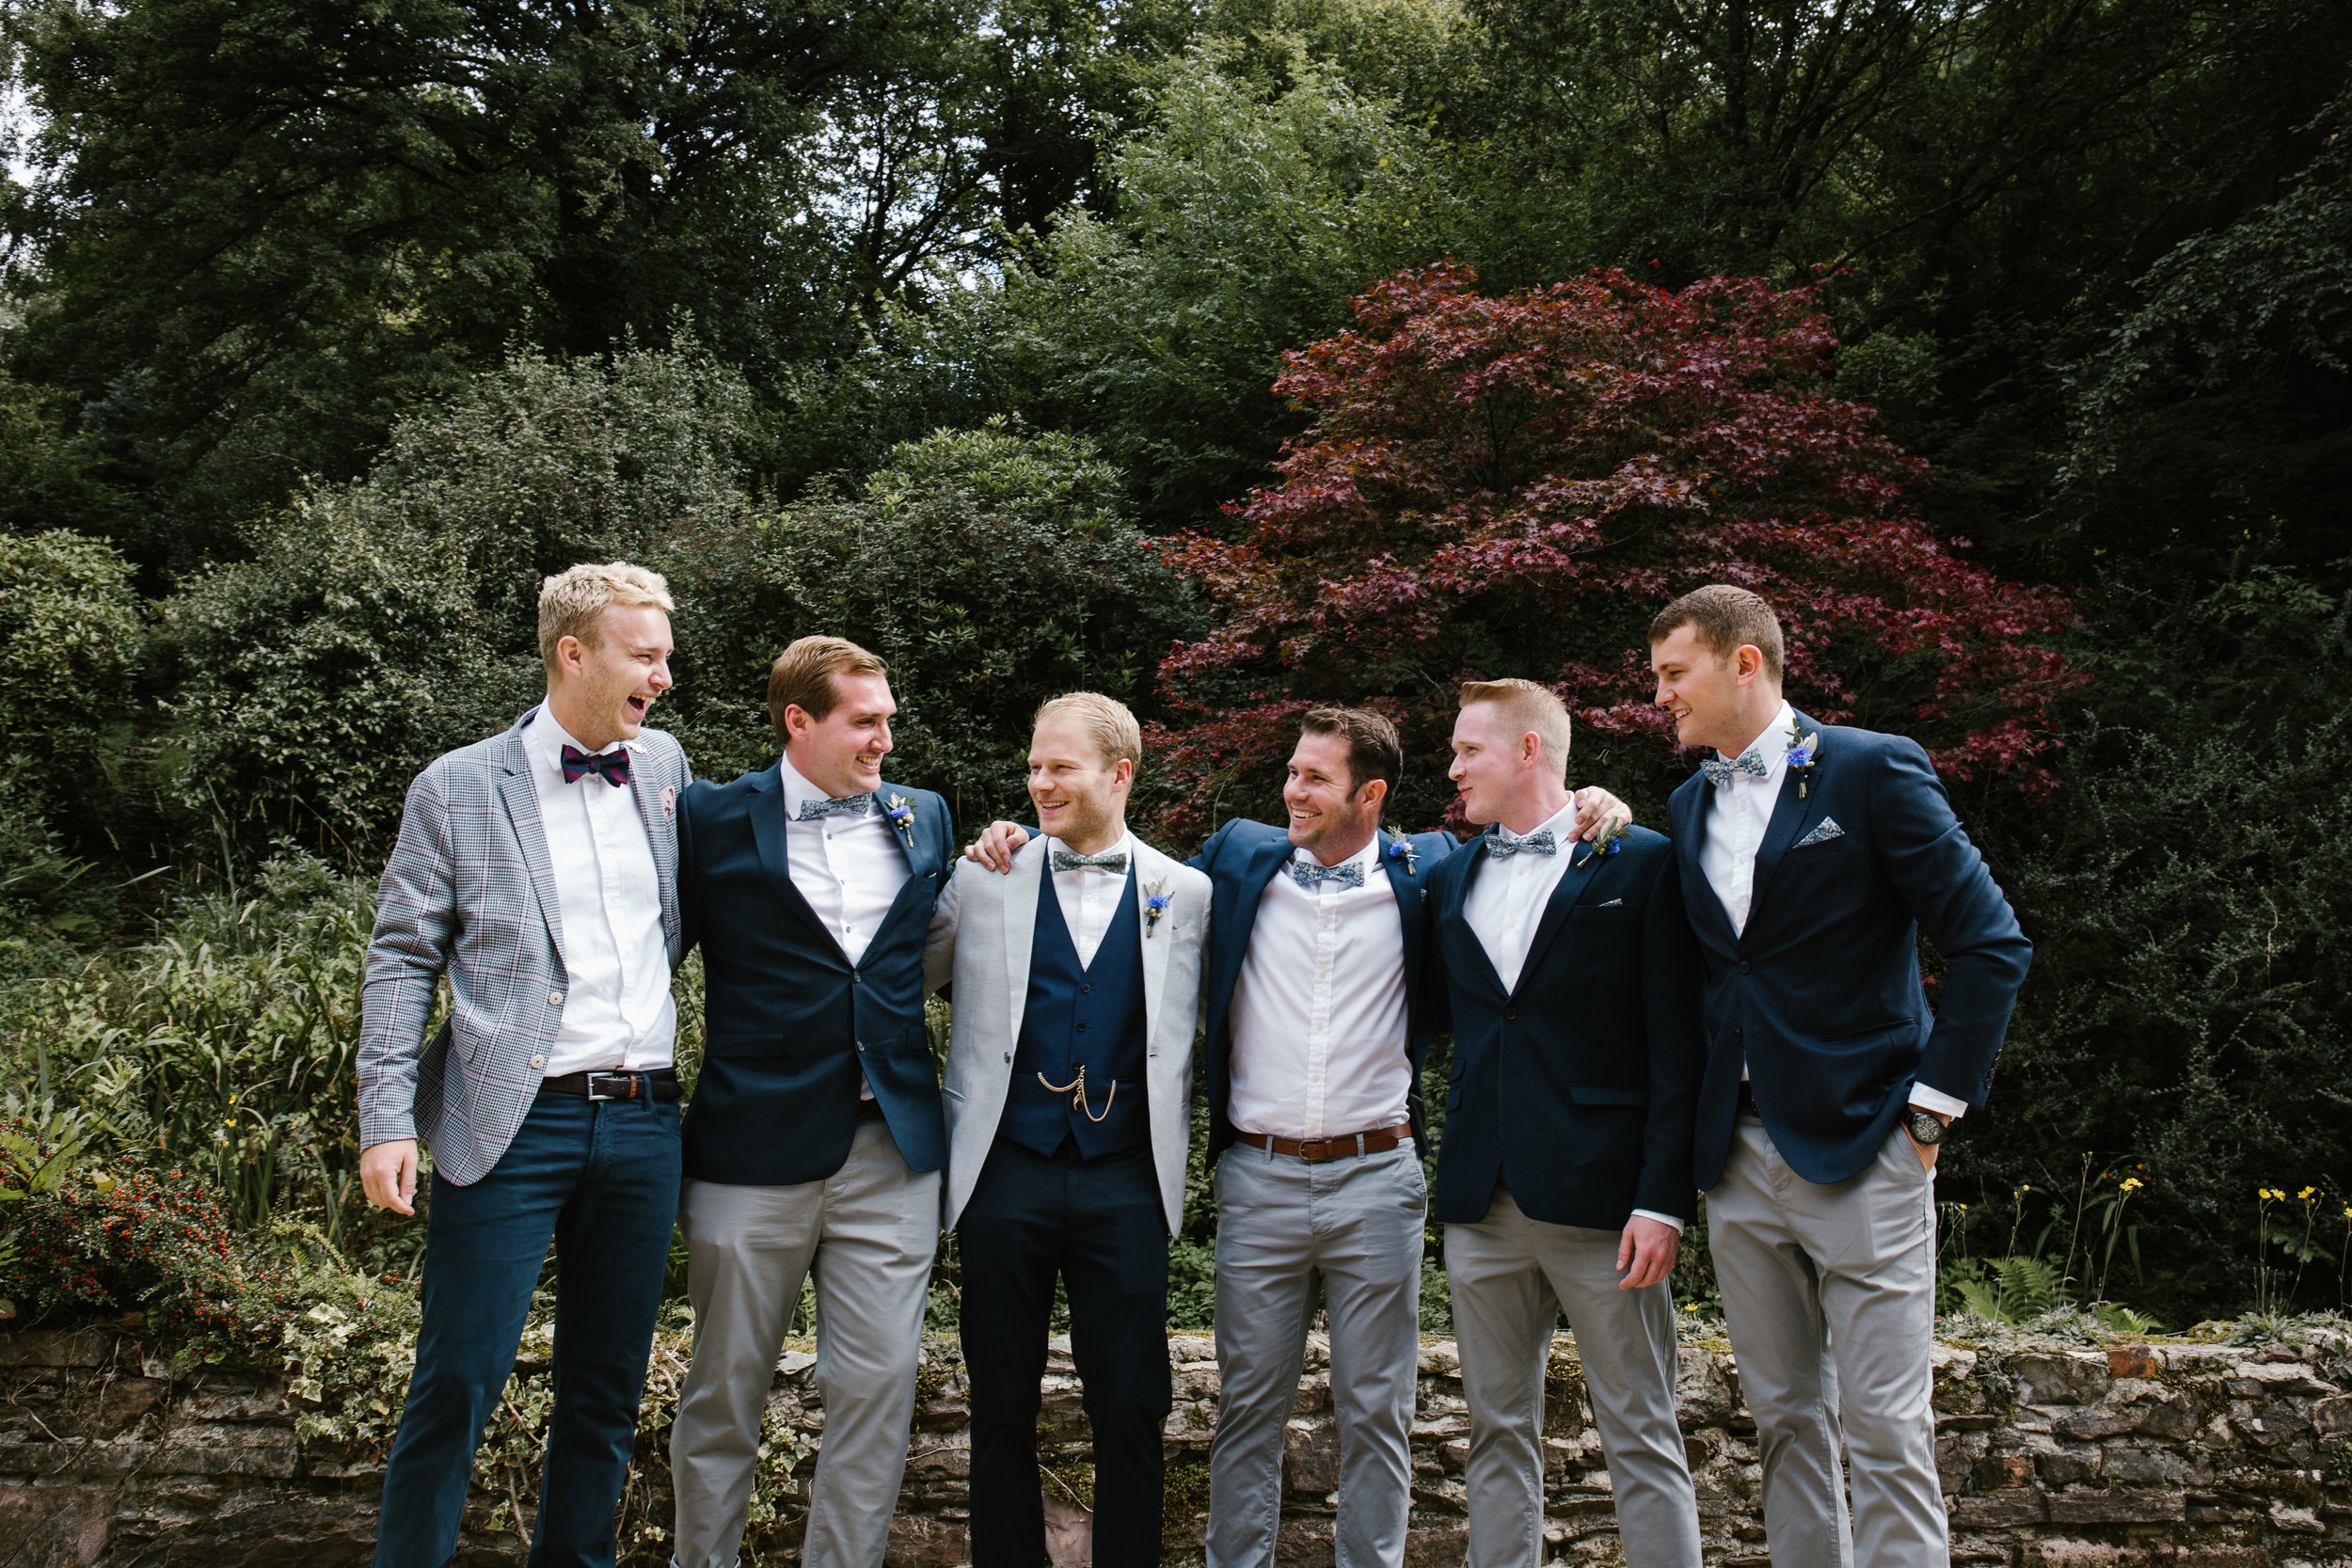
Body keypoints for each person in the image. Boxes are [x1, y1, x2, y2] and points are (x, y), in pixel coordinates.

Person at [964, 711, 1634, 1568]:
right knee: (1247, 1406)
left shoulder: (1430, 869)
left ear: (1371, 793)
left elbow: (1527, 842)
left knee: (1378, 1409)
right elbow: (1117, 861)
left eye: (1315, 778)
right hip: (1258, 1176)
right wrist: (1012, 834)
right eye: (1290, 771)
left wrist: (1591, 800)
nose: (1292, 790)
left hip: (1379, 1175)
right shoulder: (1236, 863)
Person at [1649, 585, 2031, 1568]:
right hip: (1734, 1154)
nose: (1659, 696)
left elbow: (1989, 943)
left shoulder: (1869, 768)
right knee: (1782, 1419)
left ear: (1745, 664)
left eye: (1672, 673)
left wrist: (1931, 1112)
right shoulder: (1687, 803)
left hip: (1867, 1141)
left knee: (1886, 1425)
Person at [357, 562, 691, 1568]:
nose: (664, 676)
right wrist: (384, 1115)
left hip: (644, 1120)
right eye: (645, 655)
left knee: (605, 1389)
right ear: (573, 652)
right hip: (508, 1119)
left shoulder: (668, 768)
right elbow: (403, 953)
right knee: (459, 1373)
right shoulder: (457, 784)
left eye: (667, 656)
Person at [667, 636, 957, 1568]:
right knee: (722, 1391)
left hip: (893, 1150)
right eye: (864, 721)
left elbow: (951, 944)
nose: (884, 739)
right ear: (799, 719)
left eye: (888, 721)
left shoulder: (928, 817)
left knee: (878, 1390)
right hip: (749, 1147)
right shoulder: (709, 818)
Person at [923, 693, 1211, 1568]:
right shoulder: (983, 875)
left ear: (1120, 774)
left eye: (1061, 767)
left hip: (1126, 1173)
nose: (1038, 782)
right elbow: (901, 976)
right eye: (1034, 765)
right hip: (1003, 1171)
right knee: (999, 1399)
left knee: (1132, 1401)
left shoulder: (1186, 892)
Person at [1422, 677, 1706, 1568]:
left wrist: (1663, 1198)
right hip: (1481, 1198)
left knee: (1641, 1429)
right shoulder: (1445, 874)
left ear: (1529, 751)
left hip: (1605, 1204)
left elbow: (1677, 1048)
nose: (1455, 766)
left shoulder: (1642, 860)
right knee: (1496, 1430)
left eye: (1470, 750)